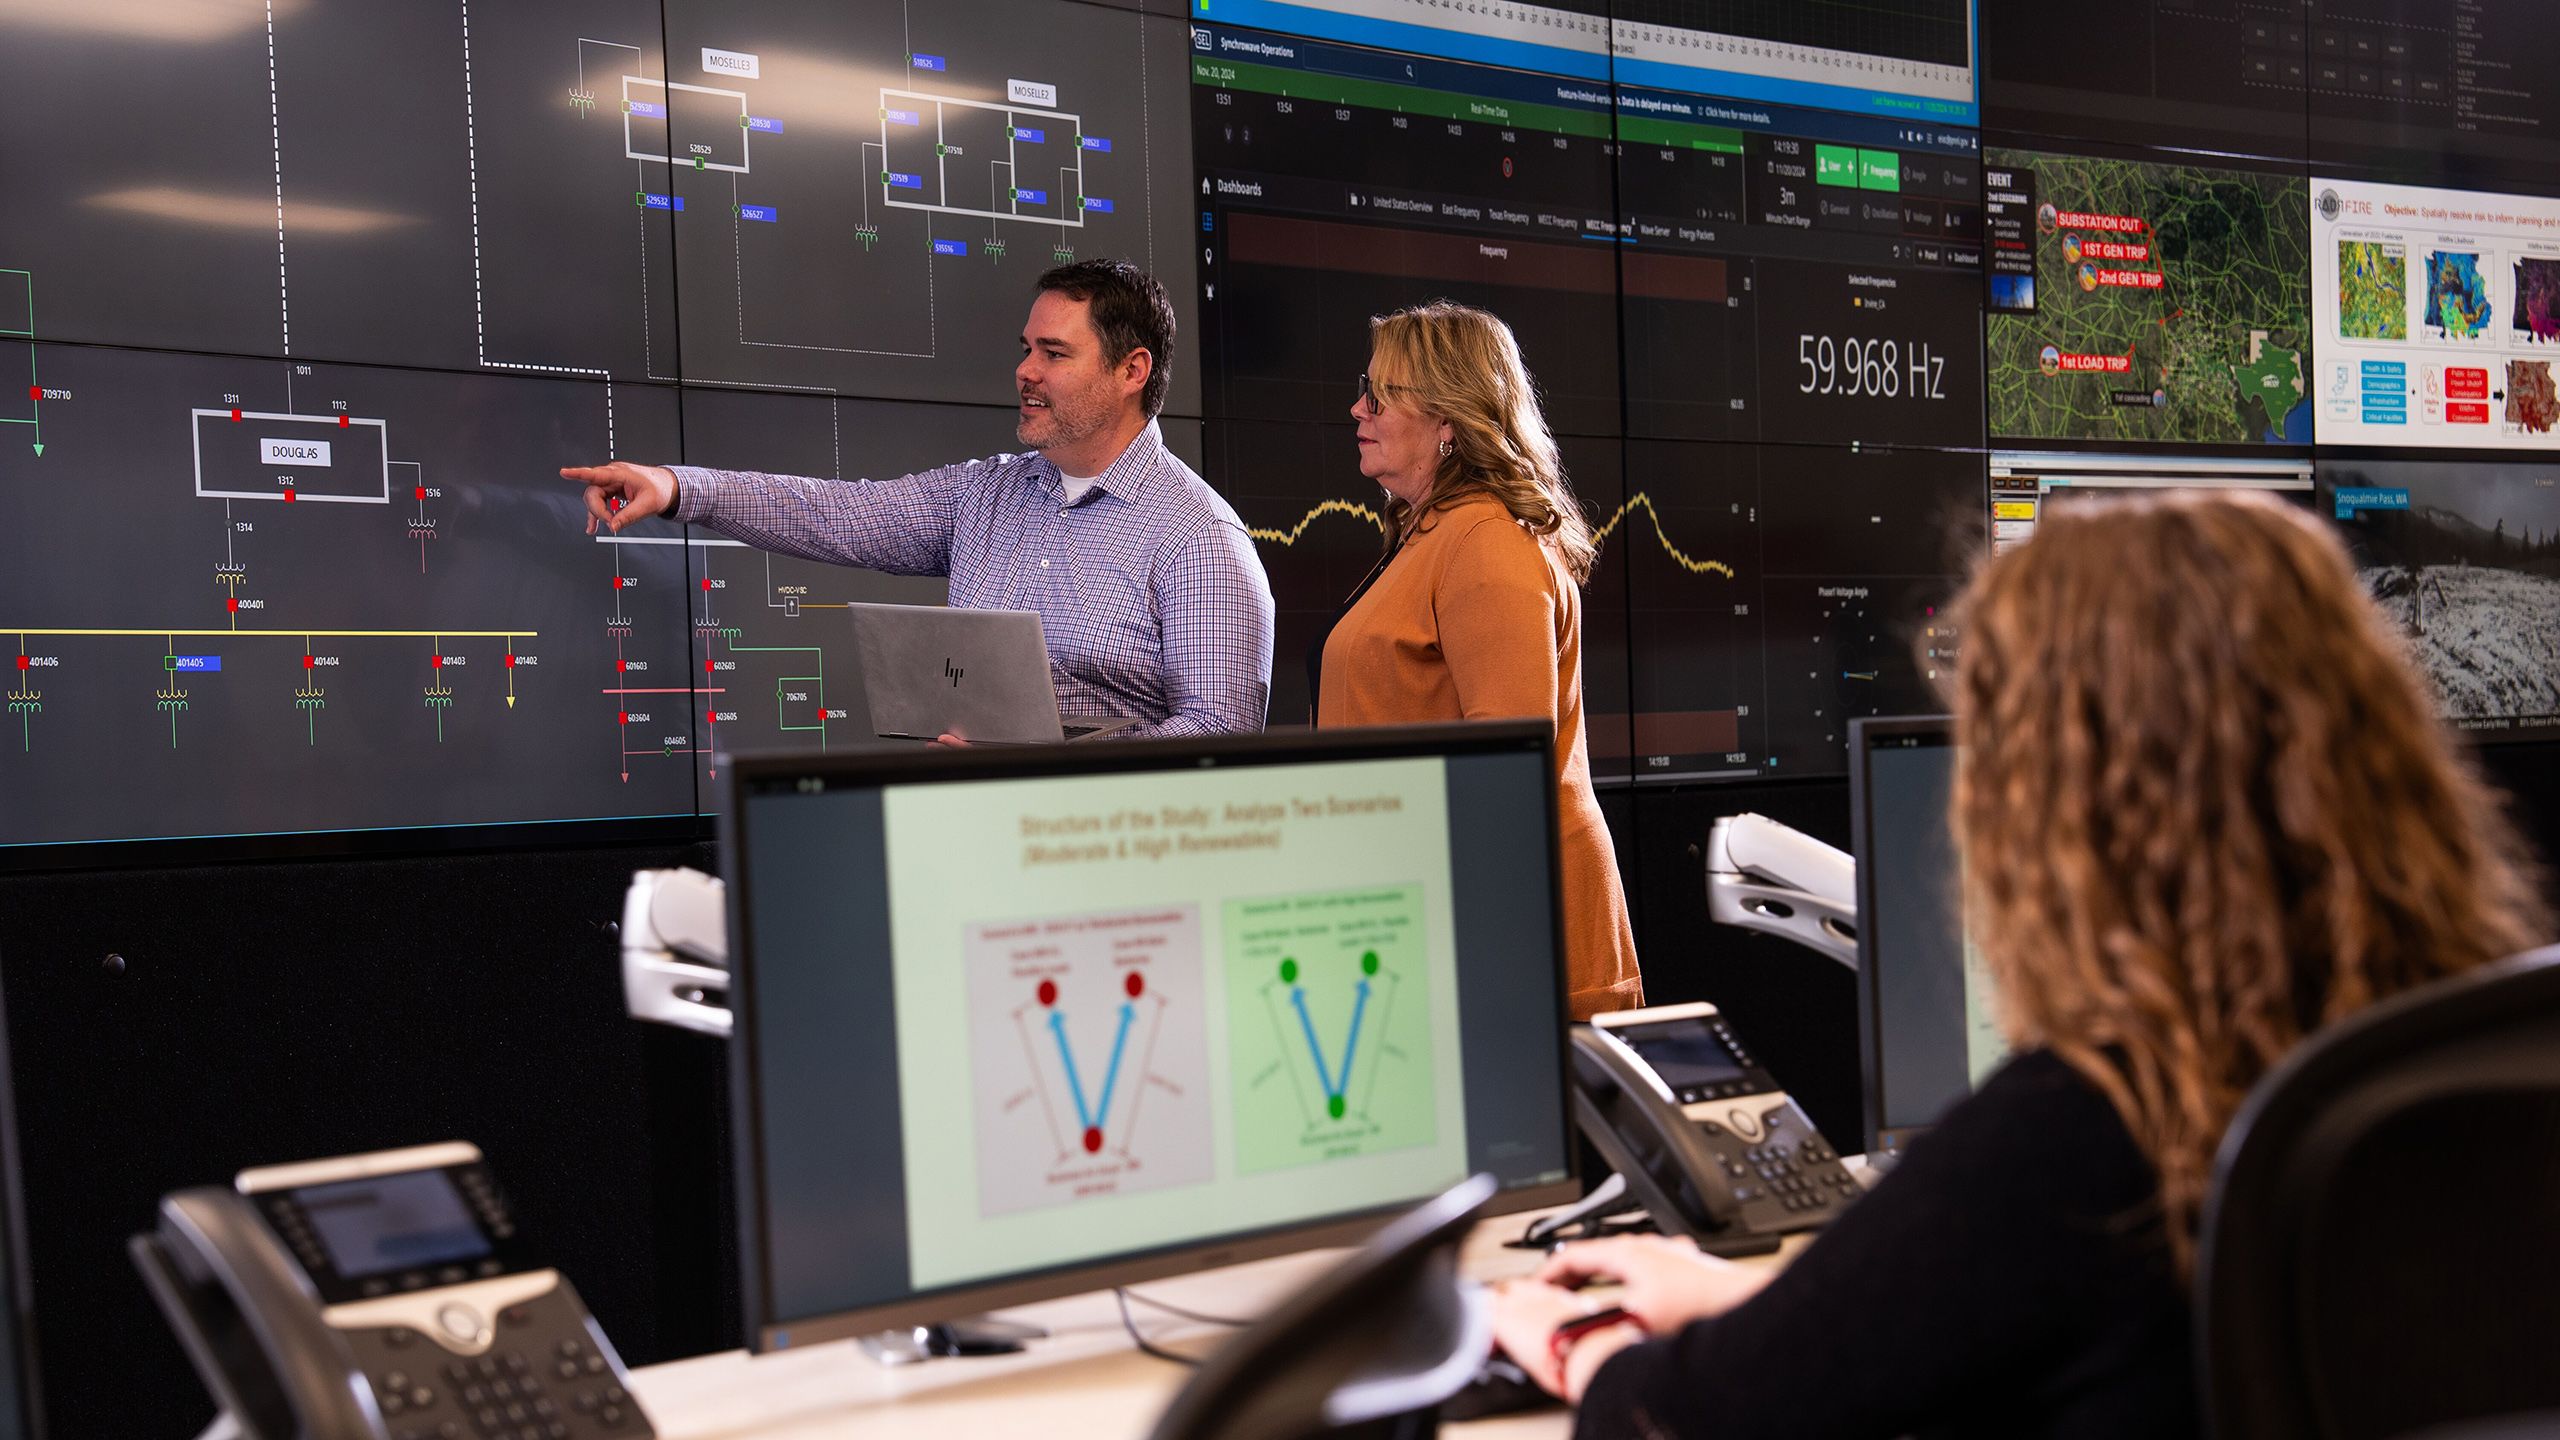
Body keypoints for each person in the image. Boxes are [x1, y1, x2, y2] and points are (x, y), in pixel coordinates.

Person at [1486, 491, 2551, 1437]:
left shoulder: (2079, 1131)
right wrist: (1756, 1313)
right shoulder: (2474, 1060)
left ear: (2058, 798)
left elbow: (1681, 1417)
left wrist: (1570, 1340)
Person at [561, 260, 1274, 739]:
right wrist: (681, 487)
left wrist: (1049, 772)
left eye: (1054, 354)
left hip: (1110, 874)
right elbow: (837, 515)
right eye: (1026, 349)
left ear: (1131, 370)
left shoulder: (1199, 539)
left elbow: (1220, 734)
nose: (1024, 371)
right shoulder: (984, 495)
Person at [1313, 301, 1642, 1020]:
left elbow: (1503, 784)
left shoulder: (1485, 543)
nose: (1356, 408)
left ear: (1448, 421)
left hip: (1513, 934)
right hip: (1443, 910)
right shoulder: (1434, 531)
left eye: (1379, 393)